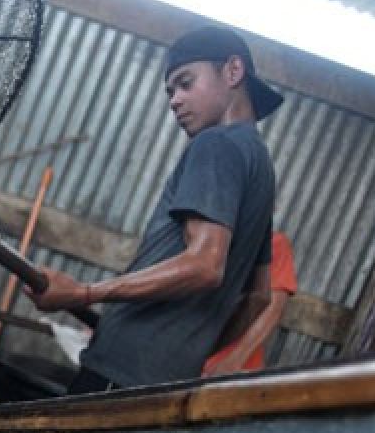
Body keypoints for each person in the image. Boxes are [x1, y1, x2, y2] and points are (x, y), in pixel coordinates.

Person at [25, 25, 283, 394]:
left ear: (233, 71)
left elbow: (205, 265)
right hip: (166, 383)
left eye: (185, 83)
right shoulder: (259, 163)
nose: (174, 100)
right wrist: (190, 347)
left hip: (118, 374)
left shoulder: (217, 145)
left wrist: (85, 293)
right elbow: (259, 296)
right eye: (170, 91)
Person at [202, 231, 297, 375]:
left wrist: (233, 361)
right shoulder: (203, 237)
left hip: (227, 367)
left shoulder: (274, 242)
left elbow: (273, 307)